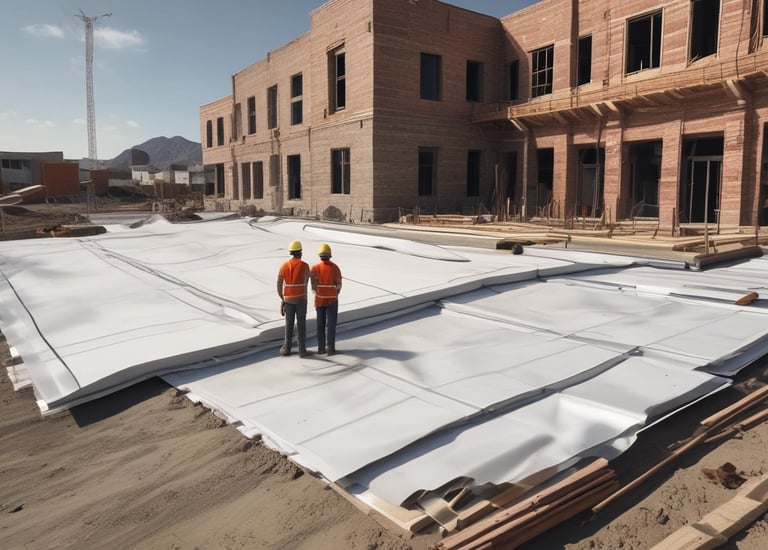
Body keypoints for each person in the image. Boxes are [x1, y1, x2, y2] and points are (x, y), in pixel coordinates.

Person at [277, 239, 310, 357]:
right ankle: (302, 350)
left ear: (291, 252)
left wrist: (283, 298)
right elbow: (306, 282)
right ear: (300, 252)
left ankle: (286, 348)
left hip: (288, 300)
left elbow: (279, 283)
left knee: (289, 324)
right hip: (301, 299)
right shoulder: (305, 266)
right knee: (301, 324)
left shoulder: (284, 266)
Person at [310, 243, 342, 355]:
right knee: (331, 325)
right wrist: (335, 294)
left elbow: (313, 287)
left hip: (320, 301)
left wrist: (318, 293)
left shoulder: (314, 268)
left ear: (320, 255)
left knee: (320, 325)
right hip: (332, 300)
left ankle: (321, 348)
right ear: (329, 255)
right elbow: (339, 285)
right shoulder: (335, 268)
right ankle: (331, 348)